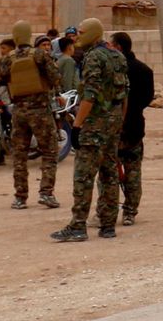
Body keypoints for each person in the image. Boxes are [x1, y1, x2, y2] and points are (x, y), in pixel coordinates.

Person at [50, 19, 127, 243]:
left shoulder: (93, 57)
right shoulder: (117, 56)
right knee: (109, 174)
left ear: (93, 34)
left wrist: (76, 125)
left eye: (82, 33)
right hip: (112, 122)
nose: (77, 37)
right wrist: (119, 121)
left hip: (94, 124)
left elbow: (90, 95)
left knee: (83, 176)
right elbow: (124, 94)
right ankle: (108, 225)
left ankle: (78, 226)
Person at [0, 22, 60, 209]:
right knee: (49, 151)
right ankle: (46, 193)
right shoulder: (40, 55)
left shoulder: (7, 59)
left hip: (18, 112)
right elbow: (55, 77)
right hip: (40, 110)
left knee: (20, 155)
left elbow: (2, 77)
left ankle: (20, 197)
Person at [111, 31, 156, 226]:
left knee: (109, 172)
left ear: (119, 47)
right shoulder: (144, 70)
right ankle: (130, 211)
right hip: (135, 125)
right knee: (133, 172)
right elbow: (147, 98)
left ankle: (107, 211)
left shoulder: (114, 70)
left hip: (114, 127)